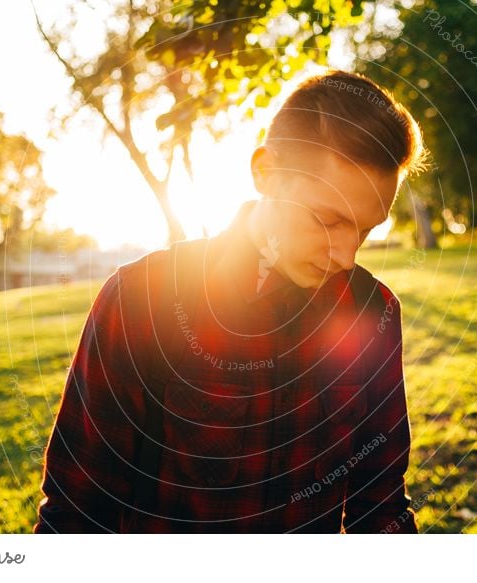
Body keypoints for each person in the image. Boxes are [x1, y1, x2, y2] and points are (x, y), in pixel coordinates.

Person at [33, 69, 426, 533]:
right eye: (328, 220)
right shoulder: (141, 300)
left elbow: (379, 506)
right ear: (266, 172)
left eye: (365, 229)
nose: (346, 256)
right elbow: (76, 510)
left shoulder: (373, 313)